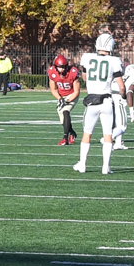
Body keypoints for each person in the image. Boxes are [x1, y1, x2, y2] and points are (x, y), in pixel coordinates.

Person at [73, 34, 122, 174]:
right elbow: (121, 86)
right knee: (108, 135)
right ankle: (105, 167)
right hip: (107, 101)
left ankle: (82, 164)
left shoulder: (88, 58)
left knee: (87, 133)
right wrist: (123, 95)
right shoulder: (114, 61)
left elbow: (84, 77)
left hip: (92, 101)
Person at [47, 54, 80, 145]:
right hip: (61, 96)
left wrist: (67, 100)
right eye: (59, 67)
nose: (62, 69)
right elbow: (53, 89)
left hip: (72, 94)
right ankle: (72, 133)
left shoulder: (73, 72)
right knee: (63, 120)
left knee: (66, 111)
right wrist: (60, 99)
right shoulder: (52, 72)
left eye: (63, 67)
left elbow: (76, 91)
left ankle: (65, 138)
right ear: (55, 67)